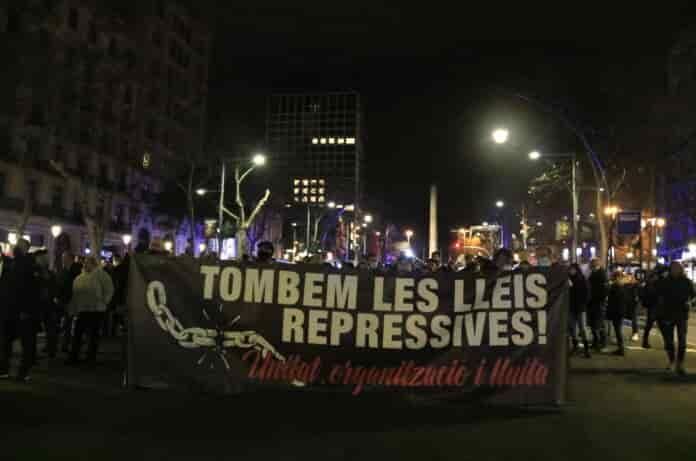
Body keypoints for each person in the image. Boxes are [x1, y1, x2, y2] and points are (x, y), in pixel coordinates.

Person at [0, 239, 39, 381]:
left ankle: (19, 371)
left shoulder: (24, 264)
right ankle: (8, 370)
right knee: (9, 342)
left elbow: (29, 290)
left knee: (21, 343)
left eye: (19, 245)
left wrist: (26, 309)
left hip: (19, 310)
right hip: (13, 309)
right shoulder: (15, 263)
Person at [67, 256, 114, 366]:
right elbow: (75, 294)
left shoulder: (101, 275)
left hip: (96, 309)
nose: (85, 264)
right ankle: (74, 355)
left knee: (93, 335)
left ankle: (90, 357)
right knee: (78, 333)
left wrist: (104, 301)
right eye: (85, 263)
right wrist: (74, 307)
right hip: (83, 309)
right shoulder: (80, 277)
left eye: (87, 263)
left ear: (93, 264)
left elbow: (109, 289)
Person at [656, 261, 695, 375]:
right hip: (668, 314)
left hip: (682, 314)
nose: (675, 270)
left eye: (677, 268)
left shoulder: (686, 282)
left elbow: (693, 295)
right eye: (673, 268)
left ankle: (680, 363)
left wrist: (690, 302)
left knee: (682, 341)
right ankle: (672, 360)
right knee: (669, 341)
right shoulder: (665, 281)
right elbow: (659, 295)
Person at [34, 250, 58, 359]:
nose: (44, 260)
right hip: (41, 304)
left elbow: (54, 287)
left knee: (50, 328)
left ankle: (51, 348)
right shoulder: (37, 272)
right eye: (42, 258)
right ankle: (49, 348)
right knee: (45, 328)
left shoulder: (49, 273)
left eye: (44, 258)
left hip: (47, 304)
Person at [56, 251, 82, 354]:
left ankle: (66, 345)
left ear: (70, 258)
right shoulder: (63, 269)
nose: (63, 260)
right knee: (63, 322)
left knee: (68, 323)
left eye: (65, 258)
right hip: (62, 299)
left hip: (71, 300)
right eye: (63, 258)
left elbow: (74, 285)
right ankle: (61, 343)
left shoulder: (76, 269)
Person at [568, 263, 591, 358]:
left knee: (582, 328)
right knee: (572, 328)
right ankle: (575, 346)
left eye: (572, 269)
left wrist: (583, 304)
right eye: (570, 269)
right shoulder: (568, 279)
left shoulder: (582, 279)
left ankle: (586, 349)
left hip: (580, 308)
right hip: (571, 308)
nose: (571, 271)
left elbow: (587, 294)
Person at [587, 258, 608, 351]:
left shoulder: (601, 274)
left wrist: (600, 299)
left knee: (599, 323)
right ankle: (596, 342)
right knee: (594, 323)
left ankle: (601, 342)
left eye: (592, 264)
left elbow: (603, 290)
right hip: (593, 302)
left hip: (598, 302)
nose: (591, 266)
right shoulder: (594, 273)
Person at [606, 270, 626, 356]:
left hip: (617, 311)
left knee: (618, 330)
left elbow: (614, 299)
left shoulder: (616, 286)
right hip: (619, 311)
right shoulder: (621, 286)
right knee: (618, 330)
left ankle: (621, 349)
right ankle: (620, 348)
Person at [640, 271, 660, 348]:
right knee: (650, 325)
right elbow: (650, 295)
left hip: (652, 307)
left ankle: (645, 341)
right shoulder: (651, 284)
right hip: (653, 307)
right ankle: (645, 342)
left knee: (650, 325)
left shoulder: (649, 284)